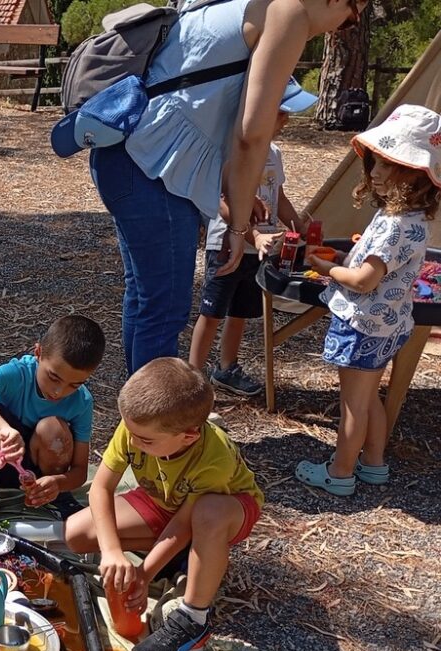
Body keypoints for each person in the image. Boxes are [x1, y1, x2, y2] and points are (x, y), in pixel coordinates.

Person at [59, 0, 368, 374]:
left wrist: (236, 198)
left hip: (129, 156)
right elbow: (251, 135)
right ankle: (154, 410)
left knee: (146, 300)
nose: (341, 27)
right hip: (147, 166)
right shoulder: (289, 12)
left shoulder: (256, 5)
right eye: (352, 18)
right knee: (164, 310)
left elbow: (209, 116)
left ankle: (140, 406)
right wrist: (238, 227)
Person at [65, 358, 264, 651]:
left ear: (189, 436)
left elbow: (183, 524)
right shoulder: (137, 426)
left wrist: (145, 574)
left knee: (207, 514)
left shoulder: (215, 458)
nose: (132, 442)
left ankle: (193, 619)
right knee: (76, 534)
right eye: (130, 431)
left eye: (145, 440)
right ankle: (188, 560)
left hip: (226, 509)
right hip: (162, 499)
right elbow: (100, 488)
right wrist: (111, 551)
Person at [296, 105, 441, 496]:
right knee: (369, 397)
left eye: (387, 164)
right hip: (388, 325)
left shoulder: (395, 225)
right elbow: (378, 266)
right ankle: (373, 462)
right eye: (374, 161)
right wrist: (347, 257)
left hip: (362, 325)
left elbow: (363, 281)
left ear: (415, 174)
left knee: (353, 405)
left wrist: (325, 267)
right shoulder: (411, 219)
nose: (374, 171)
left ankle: (340, 472)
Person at [188, 77, 318, 397]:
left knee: (240, 313)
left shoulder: (273, 153)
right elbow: (222, 204)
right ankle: (192, 379)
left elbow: (279, 197)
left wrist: (300, 226)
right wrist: (253, 235)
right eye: (281, 113)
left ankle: (226, 368)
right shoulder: (230, 151)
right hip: (227, 245)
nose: (286, 121)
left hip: (258, 250)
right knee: (212, 312)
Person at [0, 315, 106, 528]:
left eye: (74, 385)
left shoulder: (82, 402)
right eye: (54, 377)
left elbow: (80, 471)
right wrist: (4, 429)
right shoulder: (19, 374)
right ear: (38, 353)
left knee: (52, 429)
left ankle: (56, 497)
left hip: (44, 473)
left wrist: (58, 483)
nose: (59, 391)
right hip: (0, 464)